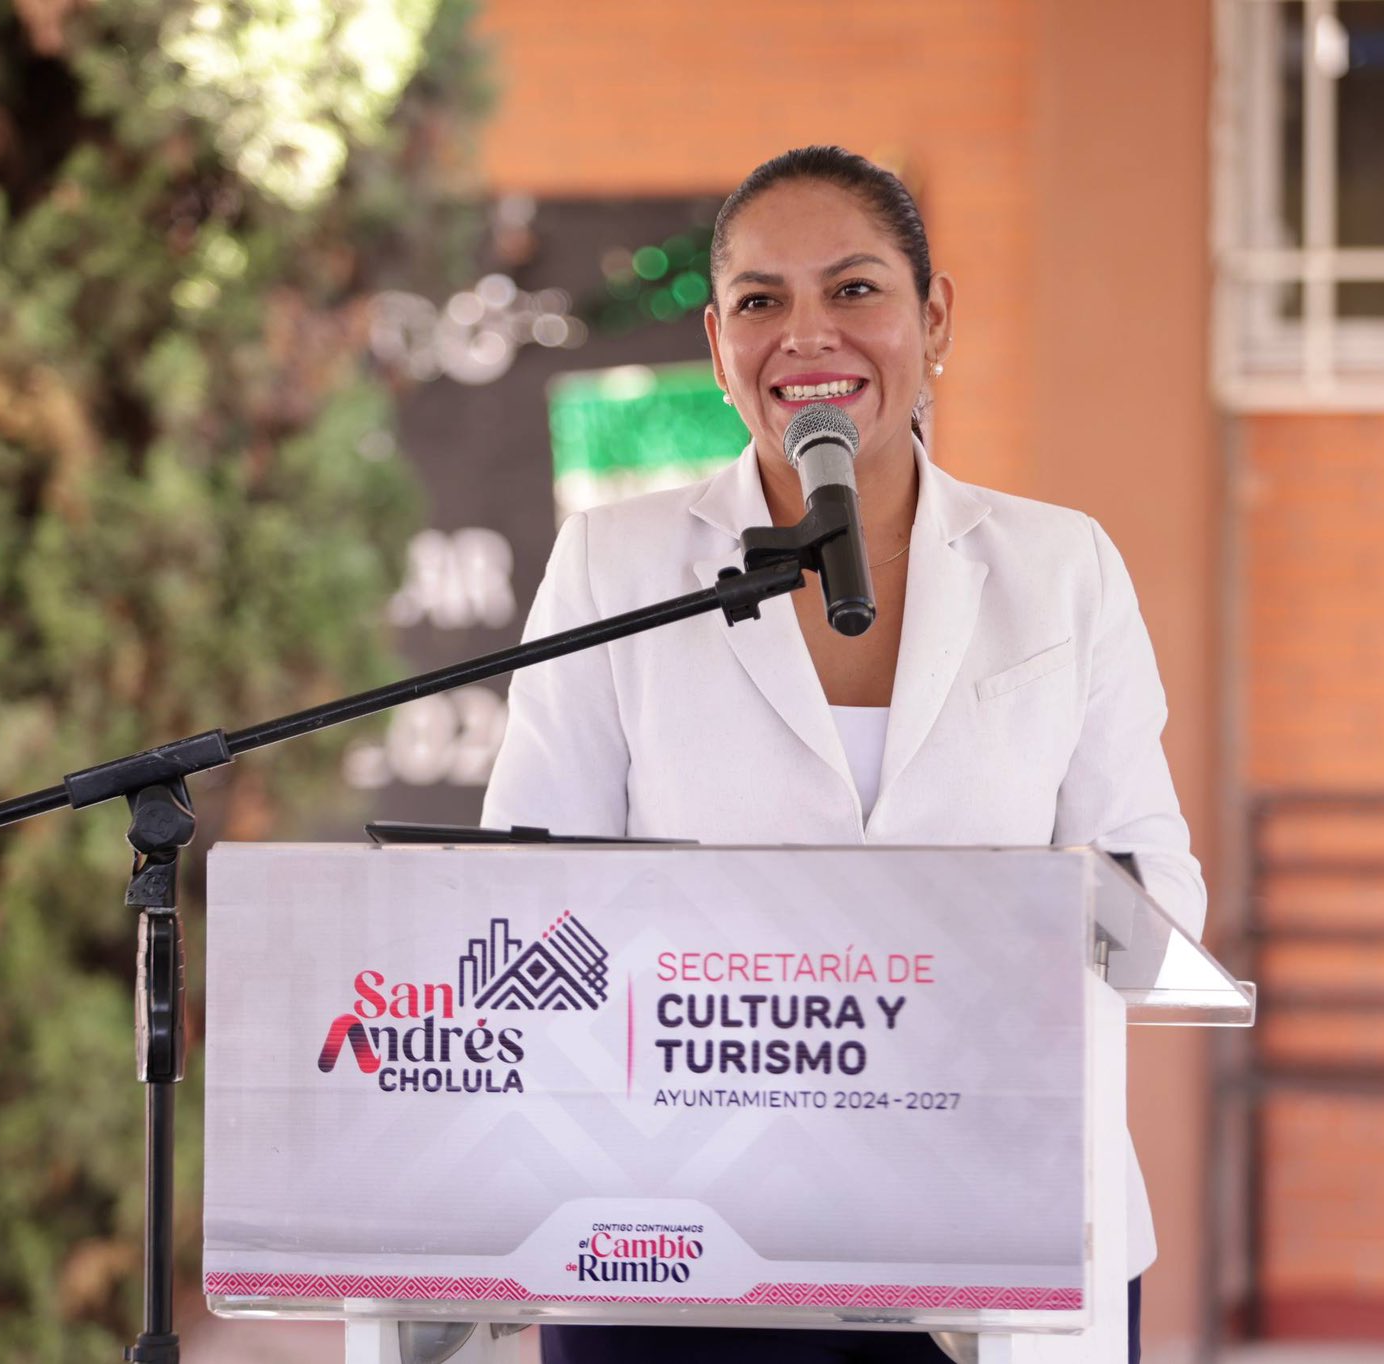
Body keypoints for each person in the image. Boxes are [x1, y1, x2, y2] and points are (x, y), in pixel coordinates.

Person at [482, 145, 1204, 1364]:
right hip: (676, 1234)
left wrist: (967, 942)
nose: (806, 334)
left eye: (853, 288)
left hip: (1002, 1230)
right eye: (761, 301)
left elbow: (1157, 894)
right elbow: (523, 886)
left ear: (932, 321)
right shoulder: (617, 565)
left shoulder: (1058, 564)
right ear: (718, 346)